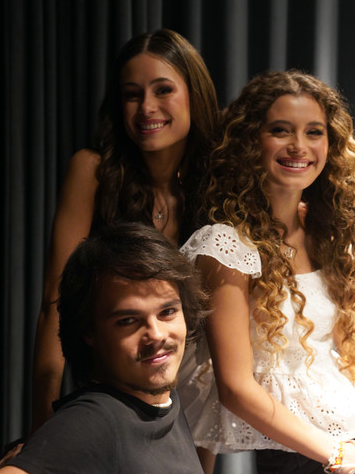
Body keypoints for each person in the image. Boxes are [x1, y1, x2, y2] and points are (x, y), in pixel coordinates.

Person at [178, 70, 355, 473]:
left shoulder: (329, 234)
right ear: (249, 142)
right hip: (296, 448)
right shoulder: (225, 244)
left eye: (314, 132)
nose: (299, 145)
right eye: (281, 130)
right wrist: (342, 454)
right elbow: (235, 388)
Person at [31, 28, 219, 432]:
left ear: (195, 95)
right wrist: (41, 421)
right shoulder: (93, 172)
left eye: (163, 89)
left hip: (197, 398)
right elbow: (55, 302)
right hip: (112, 391)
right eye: (132, 94)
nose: (146, 107)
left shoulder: (222, 185)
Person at [0, 223, 208, 474]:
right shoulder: (95, 421)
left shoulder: (164, 402)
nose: (157, 335)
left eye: (167, 312)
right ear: (90, 331)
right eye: (128, 321)